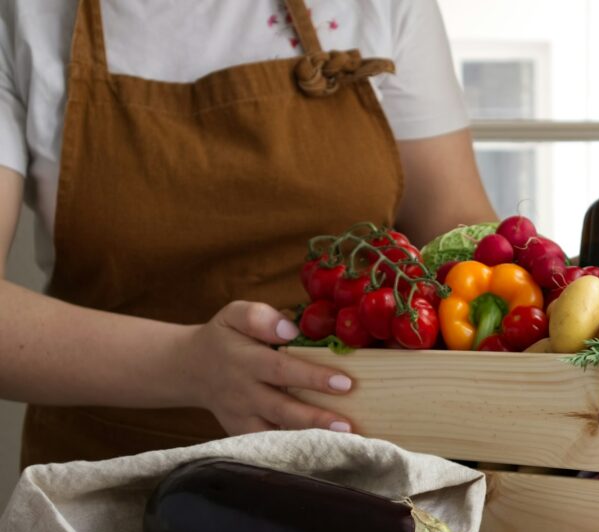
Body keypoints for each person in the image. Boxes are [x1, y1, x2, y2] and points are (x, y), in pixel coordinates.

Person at [0, 0, 497, 467]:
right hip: (103, 484)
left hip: (369, 471)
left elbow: (457, 234)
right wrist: (187, 365)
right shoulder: (25, 16)